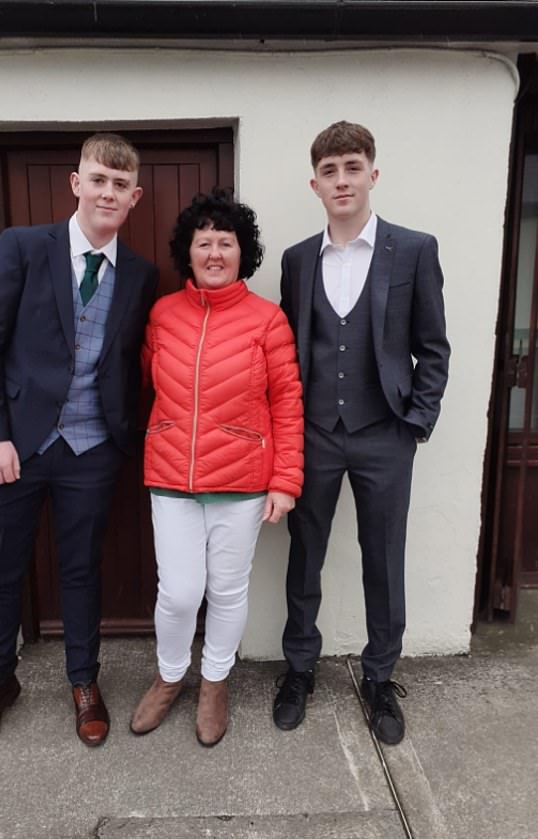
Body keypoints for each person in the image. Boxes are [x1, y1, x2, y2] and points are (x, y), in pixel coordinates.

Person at [0, 133, 158, 760]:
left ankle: (83, 681)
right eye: (97, 179)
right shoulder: (23, 247)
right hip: (14, 445)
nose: (107, 192)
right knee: (2, 572)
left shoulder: (142, 275)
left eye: (119, 185)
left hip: (93, 449)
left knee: (80, 569)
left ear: (134, 197)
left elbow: (132, 366)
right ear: (77, 184)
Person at [273, 121, 450, 745]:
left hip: (384, 434)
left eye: (352, 167)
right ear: (314, 183)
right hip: (316, 433)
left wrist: (415, 425)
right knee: (304, 558)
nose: (341, 180)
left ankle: (379, 676)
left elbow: (433, 347)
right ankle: (299, 669)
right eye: (330, 171)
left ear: (372, 174)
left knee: (384, 559)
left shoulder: (414, 249)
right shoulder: (298, 260)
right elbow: (295, 348)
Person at [130, 189, 303, 747]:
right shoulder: (162, 313)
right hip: (171, 475)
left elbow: (288, 402)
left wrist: (285, 480)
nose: (213, 253)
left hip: (242, 481)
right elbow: (147, 381)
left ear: (241, 252)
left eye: (225, 243)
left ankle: (215, 682)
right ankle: (170, 676)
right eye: (203, 242)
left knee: (227, 590)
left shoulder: (267, 321)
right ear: (188, 251)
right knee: (179, 592)